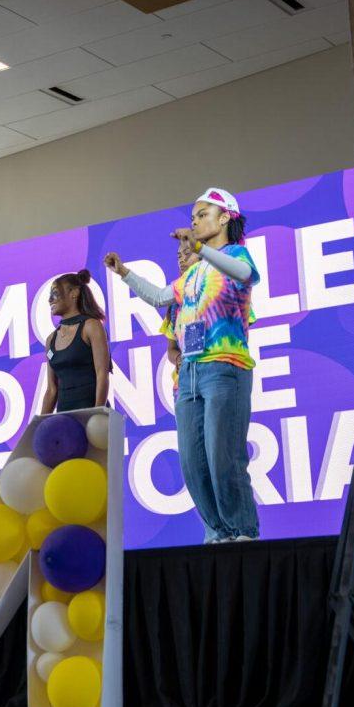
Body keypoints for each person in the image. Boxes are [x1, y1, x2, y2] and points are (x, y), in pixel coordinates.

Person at [103, 187, 261, 543]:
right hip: (188, 375)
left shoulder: (236, 255)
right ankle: (218, 532)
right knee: (193, 463)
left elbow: (245, 274)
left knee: (224, 458)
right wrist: (125, 273)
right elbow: (160, 296)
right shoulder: (193, 274)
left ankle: (243, 532)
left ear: (225, 218)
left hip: (224, 366)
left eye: (202, 214)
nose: (194, 221)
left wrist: (201, 249)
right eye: (192, 217)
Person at [40, 270, 111, 414]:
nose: (50, 300)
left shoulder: (91, 326)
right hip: (65, 420)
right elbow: (52, 389)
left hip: (93, 414)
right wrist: (39, 426)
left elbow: (102, 374)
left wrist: (97, 413)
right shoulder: (50, 340)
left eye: (55, 293)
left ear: (74, 293)